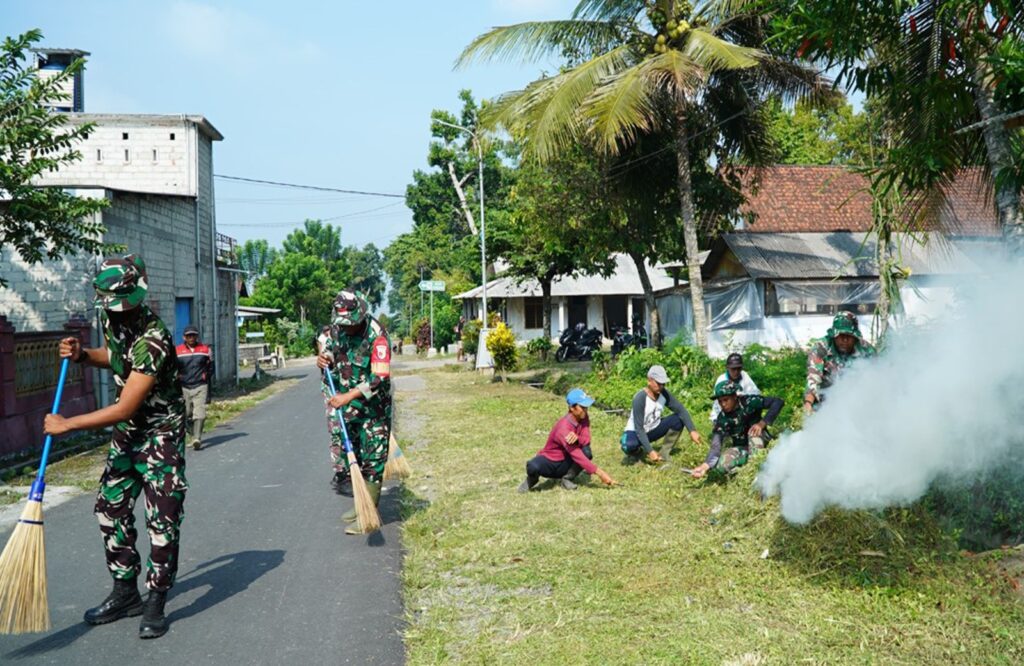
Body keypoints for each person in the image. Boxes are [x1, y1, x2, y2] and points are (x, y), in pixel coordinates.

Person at [43, 254, 185, 639]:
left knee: (162, 520)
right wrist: (84, 356)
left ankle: (156, 598)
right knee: (110, 508)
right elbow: (117, 356)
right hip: (128, 434)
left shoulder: (154, 339)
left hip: (159, 434)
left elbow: (126, 405)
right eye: (111, 307)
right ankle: (126, 592)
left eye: (123, 307)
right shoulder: (112, 316)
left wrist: (68, 424)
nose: (118, 314)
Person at [316, 290, 393, 535]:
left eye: (351, 324)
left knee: (373, 460)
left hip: (373, 410)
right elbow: (333, 353)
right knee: (355, 458)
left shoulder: (377, 337)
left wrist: (348, 396)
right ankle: (361, 506)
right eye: (343, 324)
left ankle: (370, 515)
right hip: (349, 411)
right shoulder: (338, 330)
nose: (346, 329)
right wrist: (324, 359)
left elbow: (379, 378)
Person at [518, 388, 617, 492]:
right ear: (572, 408)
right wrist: (600, 473)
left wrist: (578, 439)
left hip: (566, 459)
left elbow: (586, 440)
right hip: (551, 461)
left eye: (586, 407)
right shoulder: (564, 428)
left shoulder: (583, 417)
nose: (585, 410)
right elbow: (576, 454)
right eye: (582, 407)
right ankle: (531, 480)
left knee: (586, 451)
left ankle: (567, 479)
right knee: (533, 466)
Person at [691, 381, 783, 479]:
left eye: (726, 400)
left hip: (761, 441)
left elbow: (778, 402)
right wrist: (704, 466)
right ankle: (747, 467)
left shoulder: (749, 401)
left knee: (753, 433)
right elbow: (715, 446)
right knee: (722, 464)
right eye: (720, 401)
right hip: (744, 449)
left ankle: (762, 470)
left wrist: (762, 423)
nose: (723, 404)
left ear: (734, 396)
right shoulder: (722, 418)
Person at [620, 365, 701, 463]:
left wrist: (692, 430)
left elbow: (681, 410)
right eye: (658, 383)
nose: (661, 386)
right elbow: (639, 428)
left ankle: (664, 453)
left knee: (678, 420)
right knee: (628, 445)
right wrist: (650, 451)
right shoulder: (640, 398)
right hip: (636, 432)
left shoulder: (664, 394)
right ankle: (637, 452)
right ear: (649, 380)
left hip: (653, 429)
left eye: (663, 384)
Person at [804, 311, 876, 414]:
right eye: (840, 335)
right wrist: (808, 403)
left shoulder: (866, 350)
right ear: (834, 335)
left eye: (849, 336)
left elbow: (877, 378)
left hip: (858, 402)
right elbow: (813, 377)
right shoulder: (821, 347)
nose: (845, 340)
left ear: (855, 337)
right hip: (825, 403)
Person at [175, 324, 213, 450]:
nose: (191, 338)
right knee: (185, 413)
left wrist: (205, 376)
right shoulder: (177, 351)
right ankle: (191, 433)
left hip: (200, 385)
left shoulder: (205, 349)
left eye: (193, 335)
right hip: (184, 386)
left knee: (199, 413)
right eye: (188, 335)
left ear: (197, 336)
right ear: (184, 337)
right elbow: (173, 368)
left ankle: (197, 438)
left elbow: (210, 366)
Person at [709, 353, 760, 422]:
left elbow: (756, 394)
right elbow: (719, 404)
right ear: (727, 368)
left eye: (738, 368)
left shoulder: (744, 375)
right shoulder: (721, 380)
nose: (736, 371)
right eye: (733, 369)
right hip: (722, 415)